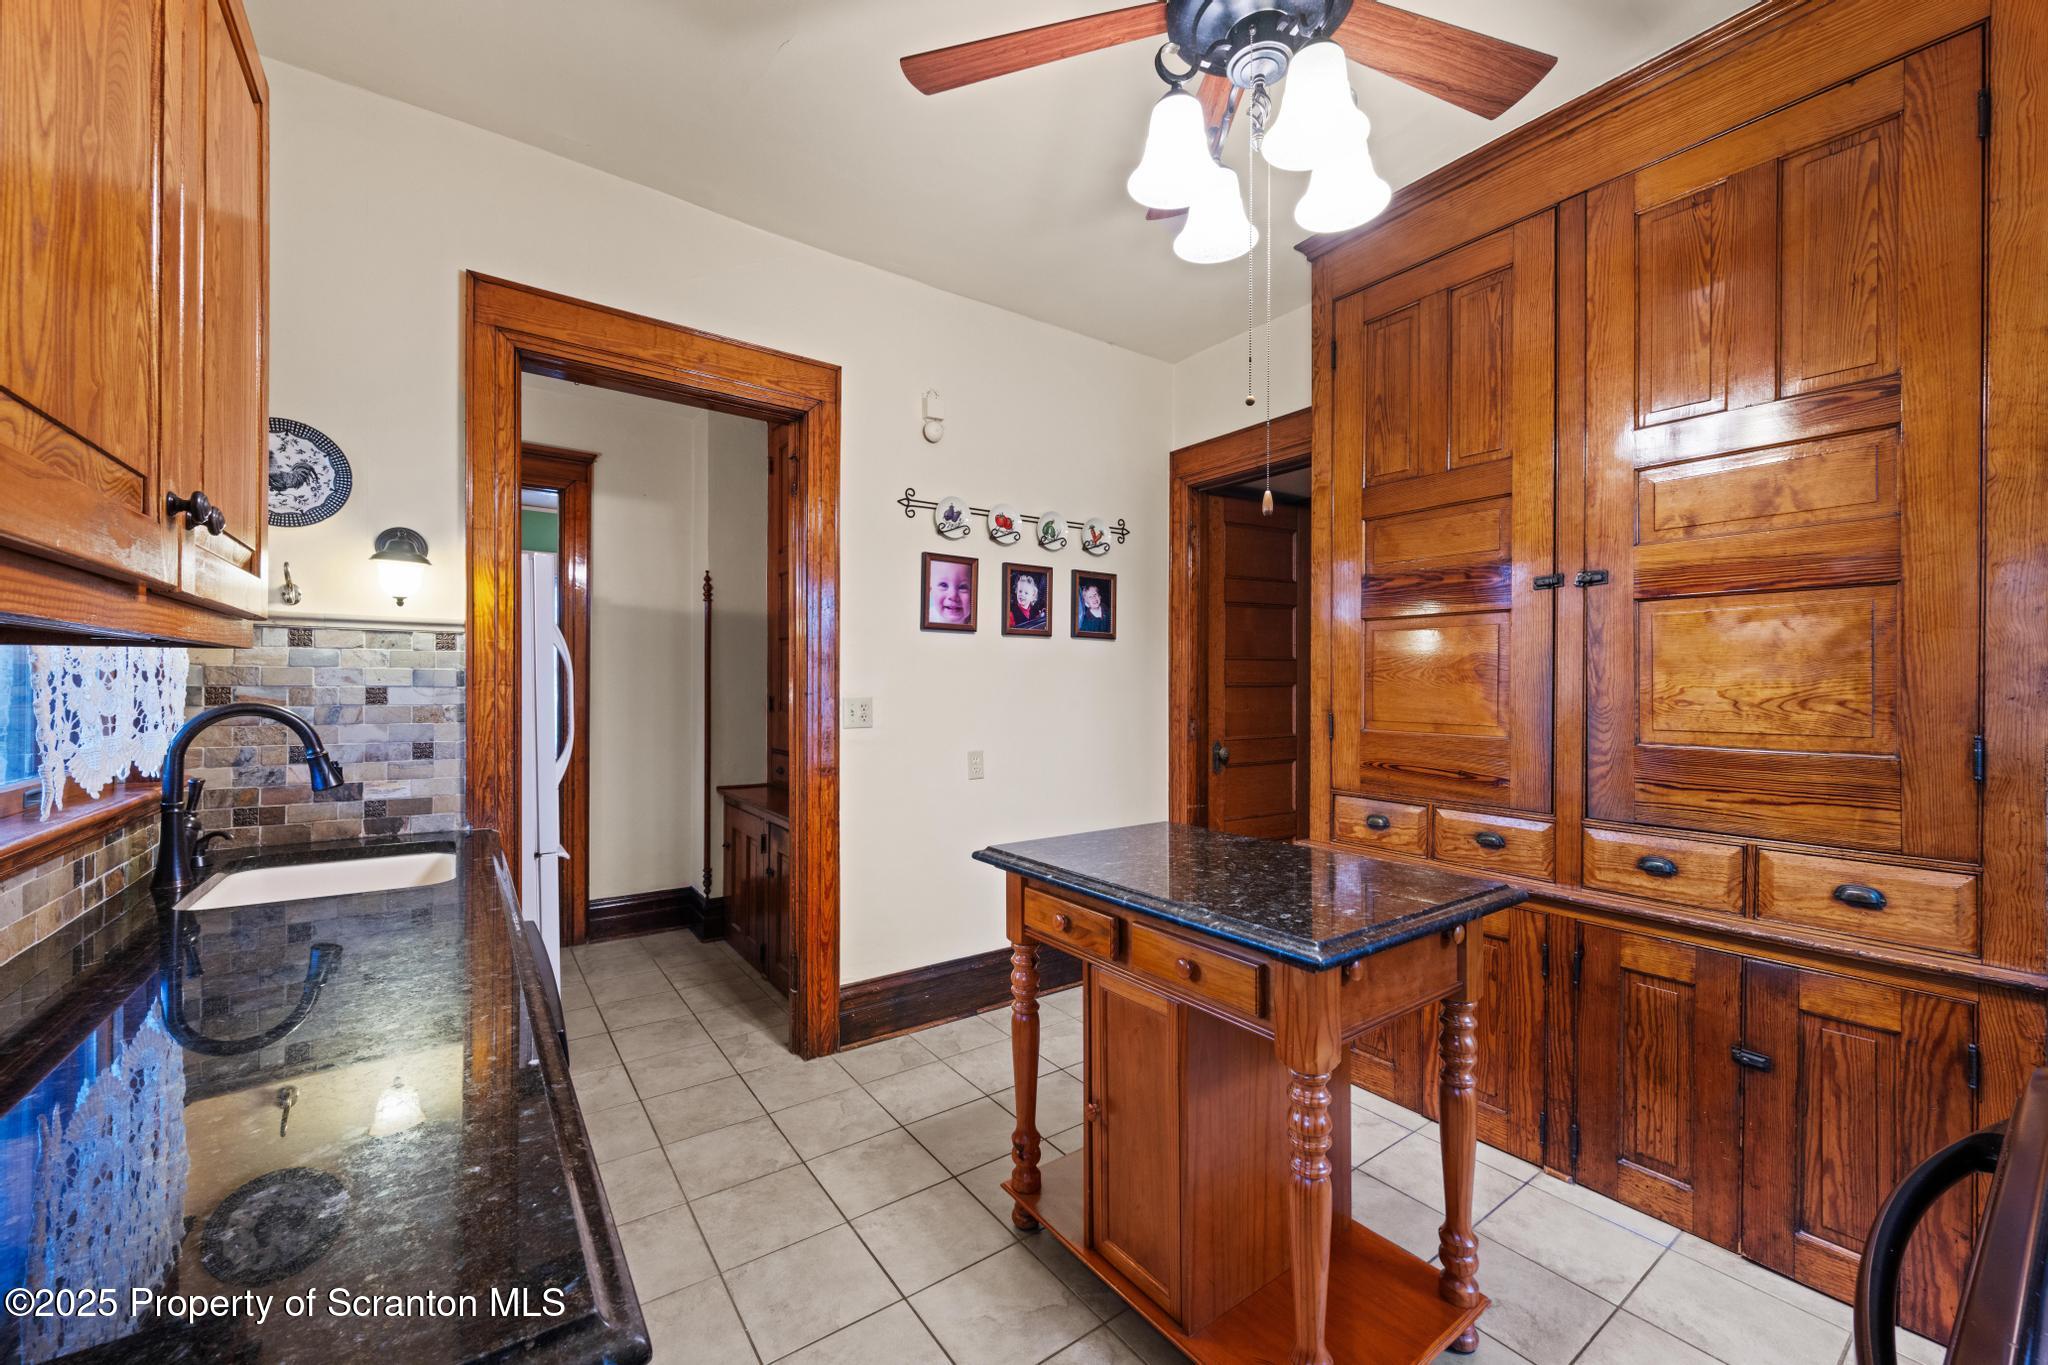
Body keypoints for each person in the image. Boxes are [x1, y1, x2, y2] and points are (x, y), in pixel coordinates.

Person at [928, 558, 973, 626]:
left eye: (963, 587)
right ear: (930, 589)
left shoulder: (979, 622)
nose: (953, 595)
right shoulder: (928, 617)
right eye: (943, 585)